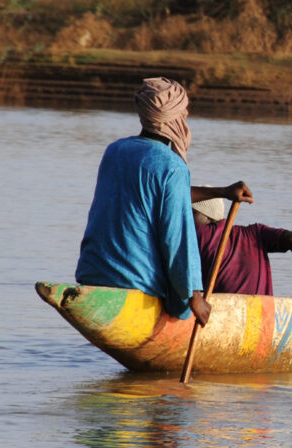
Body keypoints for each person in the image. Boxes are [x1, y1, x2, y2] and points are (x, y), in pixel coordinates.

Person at [74, 77, 252, 325]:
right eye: (183, 116)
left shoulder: (114, 151)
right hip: (134, 281)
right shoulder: (172, 166)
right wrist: (194, 296)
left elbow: (161, 195)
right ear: (173, 120)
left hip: (92, 272)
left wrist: (223, 191)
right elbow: (177, 236)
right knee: (180, 304)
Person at [192, 198, 292, 307]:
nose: (186, 218)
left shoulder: (197, 234)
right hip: (264, 318)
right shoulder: (255, 233)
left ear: (207, 215)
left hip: (228, 317)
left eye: (192, 213)